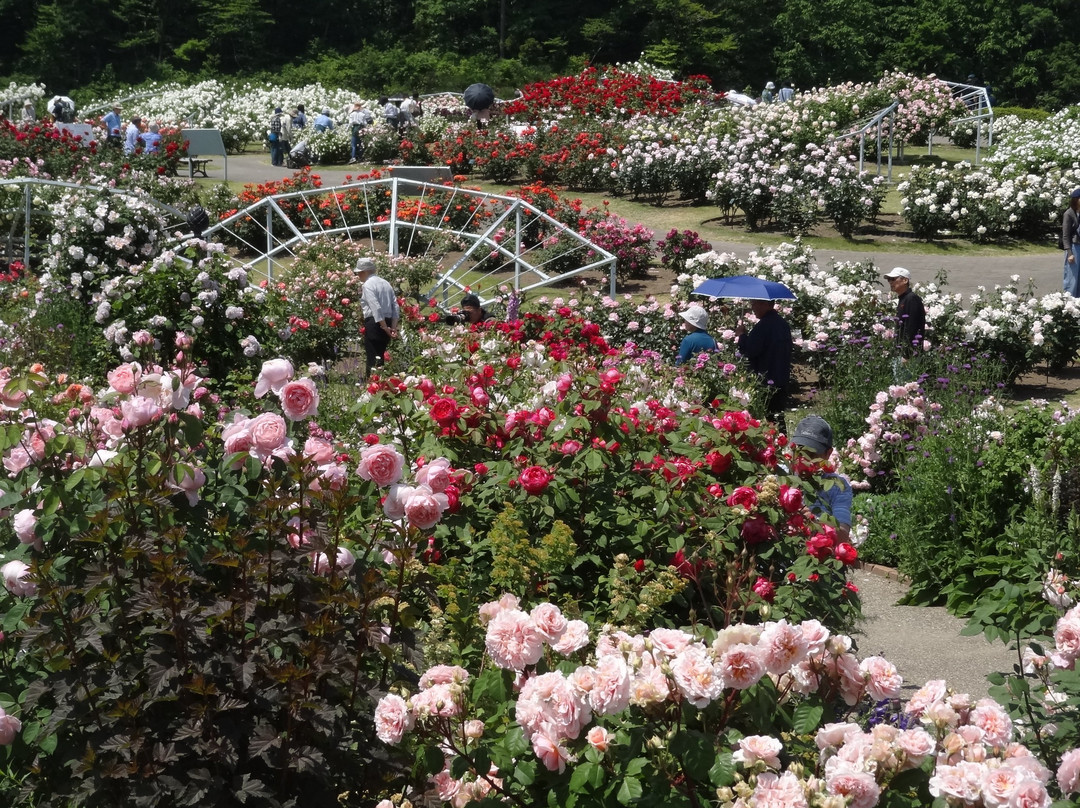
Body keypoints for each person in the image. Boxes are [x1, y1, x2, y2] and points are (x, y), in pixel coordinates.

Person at [790, 415, 852, 543]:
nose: (803, 459)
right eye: (799, 451)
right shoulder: (779, 478)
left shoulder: (836, 486)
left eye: (811, 454)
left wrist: (815, 523)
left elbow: (843, 535)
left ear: (828, 454)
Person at [735, 299, 792, 427]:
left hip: (765, 378)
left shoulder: (763, 326)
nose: (752, 308)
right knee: (777, 417)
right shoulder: (782, 324)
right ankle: (781, 438)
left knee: (763, 417)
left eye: (754, 304)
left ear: (765, 304)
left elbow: (750, 350)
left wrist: (742, 336)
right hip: (781, 376)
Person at [355, 257, 400, 377]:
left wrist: (384, 327)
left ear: (365, 271)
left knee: (372, 358)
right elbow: (395, 306)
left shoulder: (368, 285)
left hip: (375, 323)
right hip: (388, 321)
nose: (358, 276)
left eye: (359, 273)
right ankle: (381, 382)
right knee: (380, 356)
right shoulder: (385, 283)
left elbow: (375, 307)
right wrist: (393, 327)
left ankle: (372, 383)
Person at [883, 267, 925, 355]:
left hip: (909, 355)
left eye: (893, 279)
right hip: (901, 351)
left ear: (905, 280)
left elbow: (912, 327)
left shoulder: (911, 299)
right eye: (889, 280)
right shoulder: (903, 299)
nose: (890, 282)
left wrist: (907, 354)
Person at [1062, 189, 1080, 297]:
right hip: (1073, 248)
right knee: (1071, 279)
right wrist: (1069, 253)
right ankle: (1068, 301)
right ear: (1076, 199)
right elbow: (1066, 235)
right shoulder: (1068, 214)